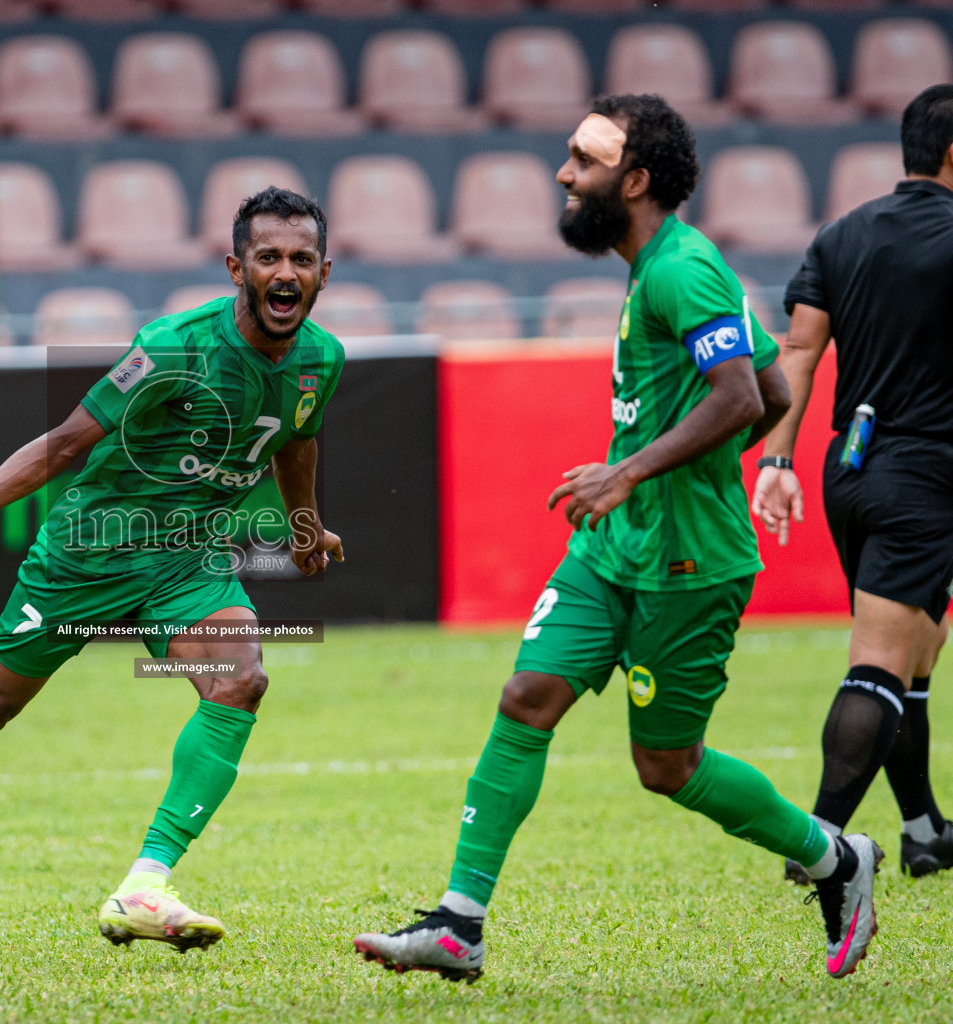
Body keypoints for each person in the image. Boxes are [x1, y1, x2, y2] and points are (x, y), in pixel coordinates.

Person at [353, 94, 879, 982]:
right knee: (527, 696)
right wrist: (652, 477)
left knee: (667, 767)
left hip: (687, 564)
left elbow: (746, 400)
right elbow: (774, 391)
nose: (564, 174)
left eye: (582, 161)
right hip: (611, 550)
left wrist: (634, 472)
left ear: (634, 181)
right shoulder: (653, 271)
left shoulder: (683, 271)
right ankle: (459, 925)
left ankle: (838, 860)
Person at [0, 187, 345, 952]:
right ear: (236, 268)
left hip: (187, 563)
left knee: (240, 679)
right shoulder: (175, 346)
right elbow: (65, 442)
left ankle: (144, 885)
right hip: (88, 555)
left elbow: (295, 441)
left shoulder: (323, 360)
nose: (286, 273)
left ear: (324, 272)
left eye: (302, 259)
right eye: (268, 258)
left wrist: (305, 528)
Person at [753, 84, 953, 884]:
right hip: (924, 473)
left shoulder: (842, 234)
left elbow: (795, 357)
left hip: (853, 470)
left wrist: (775, 461)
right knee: (879, 662)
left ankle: (923, 829)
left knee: (917, 652)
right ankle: (822, 845)